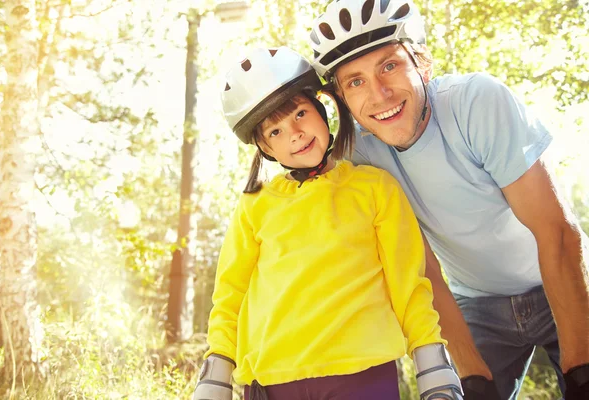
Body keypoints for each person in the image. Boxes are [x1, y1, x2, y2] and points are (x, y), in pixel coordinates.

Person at [307, 0, 589, 399]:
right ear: (342, 100)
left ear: (421, 62)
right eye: (355, 82)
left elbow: (557, 232)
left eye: (389, 66)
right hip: (477, 303)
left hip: (562, 281)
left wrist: (580, 370)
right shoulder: (361, 158)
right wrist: (471, 373)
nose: (380, 94)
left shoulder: (476, 103)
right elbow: (422, 268)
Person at [192, 46, 464, 400]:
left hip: (363, 373)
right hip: (273, 379)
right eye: (274, 132)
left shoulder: (375, 188)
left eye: (301, 113)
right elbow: (231, 294)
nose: (294, 133)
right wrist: (217, 368)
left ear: (323, 110)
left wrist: (431, 360)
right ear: (265, 149)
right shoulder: (254, 206)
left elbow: (408, 284)